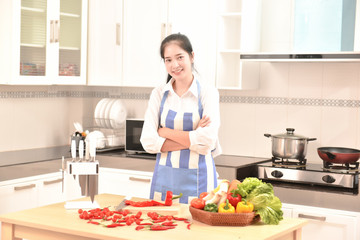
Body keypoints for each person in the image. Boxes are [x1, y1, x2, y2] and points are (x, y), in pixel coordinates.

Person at [140, 33, 221, 204]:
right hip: (165, 182)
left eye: (179, 57)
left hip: (200, 182)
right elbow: (148, 142)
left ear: (191, 57)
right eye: (168, 60)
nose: (174, 65)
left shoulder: (208, 93)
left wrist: (165, 132)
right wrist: (193, 135)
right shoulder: (159, 93)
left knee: (197, 229)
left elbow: (207, 142)